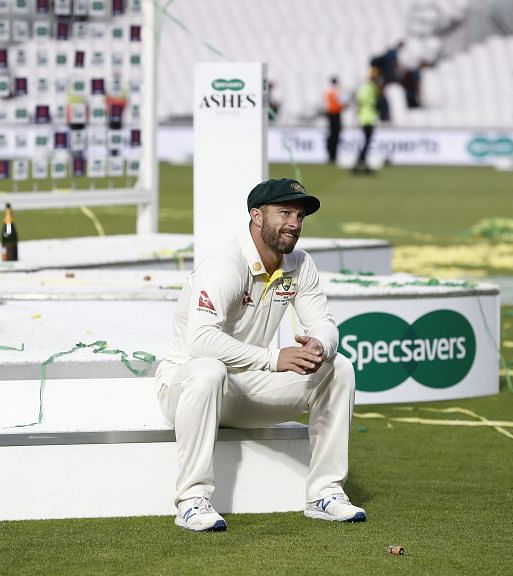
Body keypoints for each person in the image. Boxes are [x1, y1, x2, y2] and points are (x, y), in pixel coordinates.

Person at [155, 178, 365, 532]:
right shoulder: (225, 264)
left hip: (247, 389)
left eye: (299, 216)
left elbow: (325, 324)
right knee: (208, 370)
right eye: (284, 213)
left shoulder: (299, 264)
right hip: (187, 388)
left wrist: (320, 344)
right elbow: (201, 341)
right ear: (256, 216)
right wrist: (273, 359)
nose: (294, 224)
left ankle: (324, 494)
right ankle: (192, 500)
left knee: (338, 366)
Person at [353, 68, 379, 174]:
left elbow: (359, 100)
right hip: (367, 118)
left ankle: (362, 163)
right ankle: (360, 162)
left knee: (367, 142)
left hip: (367, 118)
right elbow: (360, 100)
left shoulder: (368, 87)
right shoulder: (370, 87)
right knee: (367, 142)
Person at [324, 76, 343, 163]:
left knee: (333, 135)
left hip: (331, 114)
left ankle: (332, 155)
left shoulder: (329, 91)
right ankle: (333, 155)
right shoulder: (335, 92)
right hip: (335, 114)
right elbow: (340, 103)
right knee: (335, 135)